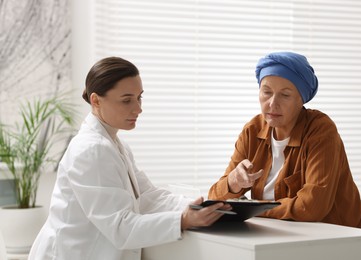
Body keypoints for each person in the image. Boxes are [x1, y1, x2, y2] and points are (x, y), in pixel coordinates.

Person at [28, 57, 230, 260]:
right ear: (96, 101)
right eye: (126, 100)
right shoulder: (91, 150)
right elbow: (120, 227)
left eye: (139, 98)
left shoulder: (115, 145)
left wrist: (199, 205)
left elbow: (148, 197)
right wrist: (183, 220)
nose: (138, 108)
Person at [208, 51, 361, 230]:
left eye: (285, 95)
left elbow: (311, 207)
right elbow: (216, 201)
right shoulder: (252, 131)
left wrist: (254, 208)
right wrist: (233, 183)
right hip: (281, 236)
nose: (272, 103)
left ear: (301, 99)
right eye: (266, 92)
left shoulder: (321, 130)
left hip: (342, 240)